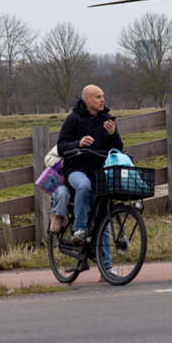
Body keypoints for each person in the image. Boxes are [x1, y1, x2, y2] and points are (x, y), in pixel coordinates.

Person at [51, 85, 122, 277]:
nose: (102, 100)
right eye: (98, 97)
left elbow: (118, 148)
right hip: (76, 169)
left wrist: (112, 133)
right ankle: (80, 229)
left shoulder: (107, 119)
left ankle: (106, 268)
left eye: (103, 96)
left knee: (103, 219)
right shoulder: (73, 120)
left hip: (99, 171)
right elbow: (61, 146)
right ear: (87, 100)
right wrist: (78, 143)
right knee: (83, 185)